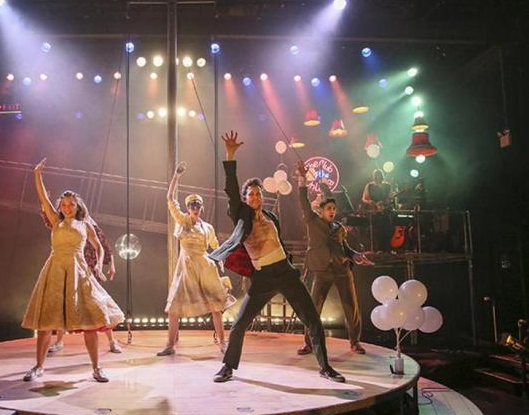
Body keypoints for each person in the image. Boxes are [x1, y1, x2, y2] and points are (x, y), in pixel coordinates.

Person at [208, 131, 345, 383]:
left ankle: (325, 367)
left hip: (285, 272)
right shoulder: (241, 214)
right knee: (239, 324)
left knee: (313, 320)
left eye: (258, 193)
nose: (255, 197)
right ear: (245, 198)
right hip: (263, 277)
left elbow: (279, 242)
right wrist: (230, 155)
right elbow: (230, 189)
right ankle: (227, 367)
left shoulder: (271, 217)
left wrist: (302, 178)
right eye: (251, 194)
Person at [21, 158, 124, 383]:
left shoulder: (85, 225)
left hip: (79, 271)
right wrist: (37, 175)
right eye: (64, 204)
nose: (67, 207)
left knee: (90, 321)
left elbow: (99, 247)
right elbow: (43, 198)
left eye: (71, 204)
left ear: (77, 207)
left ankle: (96, 368)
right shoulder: (55, 221)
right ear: (60, 207)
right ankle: (38, 366)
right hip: (55, 270)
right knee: (46, 322)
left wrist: (98, 264)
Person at [295, 160, 373, 356]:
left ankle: (355, 342)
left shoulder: (339, 228)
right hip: (321, 271)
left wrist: (357, 255)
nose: (332, 211)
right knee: (314, 308)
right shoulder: (312, 221)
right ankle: (309, 343)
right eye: (329, 208)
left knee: (351, 308)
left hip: (342, 271)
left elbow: (345, 248)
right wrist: (302, 178)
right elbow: (303, 201)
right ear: (321, 211)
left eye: (334, 209)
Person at [157, 161, 235, 356]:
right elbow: (169, 199)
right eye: (192, 205)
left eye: (198, 205)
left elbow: (216, 245)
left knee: (216, 305)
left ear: (201, 208)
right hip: (186, 267)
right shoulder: (183, 221)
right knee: (174, 307)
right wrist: (177, 176)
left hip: (205, 266)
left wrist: (221, 260)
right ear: (188, 208)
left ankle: (223, 343)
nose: (195, 208)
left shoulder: (207, 227)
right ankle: (170, 345)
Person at [41, 202, 123, 355]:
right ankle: (59, 341)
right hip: (70, 267)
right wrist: (44, 206)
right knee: (63, 303)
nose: (69, 209)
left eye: (72, 206)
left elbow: (103, 246)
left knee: (98, 303)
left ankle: (112, 341)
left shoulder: (89, 224)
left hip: (88, 268)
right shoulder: (64, 224)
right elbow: (51, 221)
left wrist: (109, 264)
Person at [361, 169, 393, 252]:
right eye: (377, 176)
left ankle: (387, 249)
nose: (378, 177)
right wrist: (369, 202)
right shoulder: (369, 185)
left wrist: (388, 201)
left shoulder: (387, 185)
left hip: (386, 211)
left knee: (388, 229)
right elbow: (364, 198)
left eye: (380, 176)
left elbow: (391, 197)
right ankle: (379, 249)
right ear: (374, 177)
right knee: (378, 230)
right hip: (375, 211)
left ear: (382, 176)